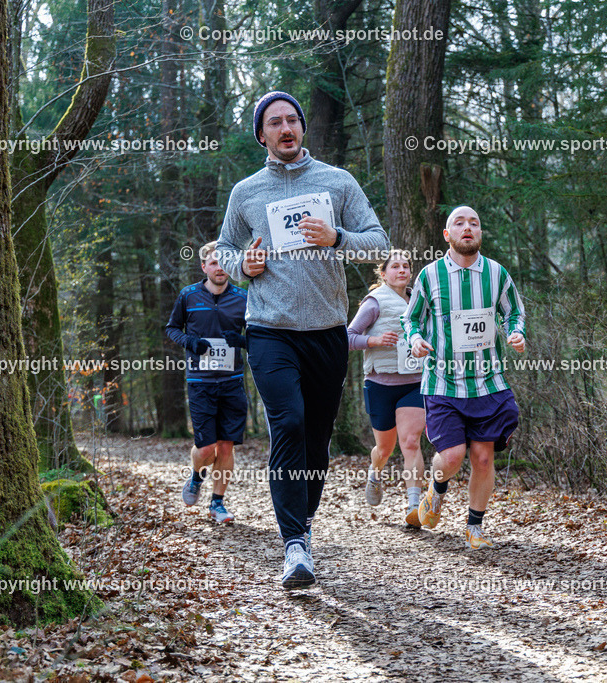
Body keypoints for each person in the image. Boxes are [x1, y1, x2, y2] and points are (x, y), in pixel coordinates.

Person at [215, 91, 389, 588]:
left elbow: (377, 242)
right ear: (262, 134)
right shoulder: (246, 192)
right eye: (275, 122)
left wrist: (336, 238)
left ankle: (303, 525)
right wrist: (240, 266)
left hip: (328, 332)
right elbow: (223, 248)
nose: (286, 128)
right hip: (270, 330)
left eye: (293, 120)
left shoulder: (337, 182)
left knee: (315, 440)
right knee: (287, 423)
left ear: (302, 128)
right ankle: (293, 544)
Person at [405, 206, 526, 549]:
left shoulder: (497, 273)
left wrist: (515, 333)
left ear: (480, 233)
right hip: (443, 381)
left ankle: (475, 527)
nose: (467, 227)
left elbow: (514, 312)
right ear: (447, 235)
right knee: (454, 456)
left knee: (484, 457)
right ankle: (436, 488)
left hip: (487, 381)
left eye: (474, 222)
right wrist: (415, 340)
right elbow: (411, 319)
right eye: (459, 223)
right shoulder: (430, 276)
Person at [165, 241, 249, 524]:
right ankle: (196, 476)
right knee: (205, 449)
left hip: (232, 382)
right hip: (200, 381)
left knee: (226, 447)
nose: (219, 267)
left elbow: (260, 335)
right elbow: (172, 329)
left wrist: (243, 341)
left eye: (224, 262)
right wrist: (190, 341)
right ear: (204, 267)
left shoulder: (243, 298)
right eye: (213, 263)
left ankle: (217, 503)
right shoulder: (188, 295)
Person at [346, 249, 426, 526]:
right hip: (380, 383)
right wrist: (375, 340)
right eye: (395, 266)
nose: (401, 270)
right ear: (383, 273)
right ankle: (374, 471)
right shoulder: (374, 301)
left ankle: (414, 507)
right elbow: (348, 337)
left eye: (406, 266)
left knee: (411, 442)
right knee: (385, 448)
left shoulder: (419, 299)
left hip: (414, 383)